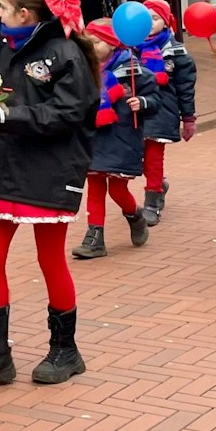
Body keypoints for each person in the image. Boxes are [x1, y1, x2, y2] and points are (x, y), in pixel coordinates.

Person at [0, 0, 94, 390]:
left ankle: (65, 350)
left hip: (52, 168)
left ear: (25, 15)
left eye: (2, 8)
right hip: (7, 166)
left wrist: (6, 116)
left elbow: (68, 113)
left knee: (49, 258)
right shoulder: (10, 50)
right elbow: (14, 99)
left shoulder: (67, 53)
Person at [72, 20, 152, 260]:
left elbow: (155, 98)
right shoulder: (83, 68)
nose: (91, 46)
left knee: (117, 189)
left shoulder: (133, 71)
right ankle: (95, 238)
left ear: (113, 43)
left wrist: (143, 103)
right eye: (89, 42)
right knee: (95, 187)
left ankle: (134, 215)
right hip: (93, 136)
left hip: (121, 136)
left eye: (96, 42)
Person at [136, 0, 198, 226]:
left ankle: (152, 199)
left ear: (166, 21)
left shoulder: (177, 52)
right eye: (145, 18)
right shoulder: (130, 47)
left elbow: (185, 87)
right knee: (137, 154)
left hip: (162, 110)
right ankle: (159, 183)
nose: (149, 23)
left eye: (155, 18)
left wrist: (188, 117)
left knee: (153, 155)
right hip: (136, 107)